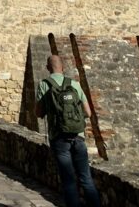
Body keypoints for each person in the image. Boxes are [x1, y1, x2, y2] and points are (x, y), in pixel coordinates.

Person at [36, 55, 101, 207]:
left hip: (59, 137)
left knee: (69, 181)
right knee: (86, 179)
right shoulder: (74, 84)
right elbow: (88, 112)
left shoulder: (44, 85)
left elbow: (39, 113)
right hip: (78, 136)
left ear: (47, 68)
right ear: (63, 67)